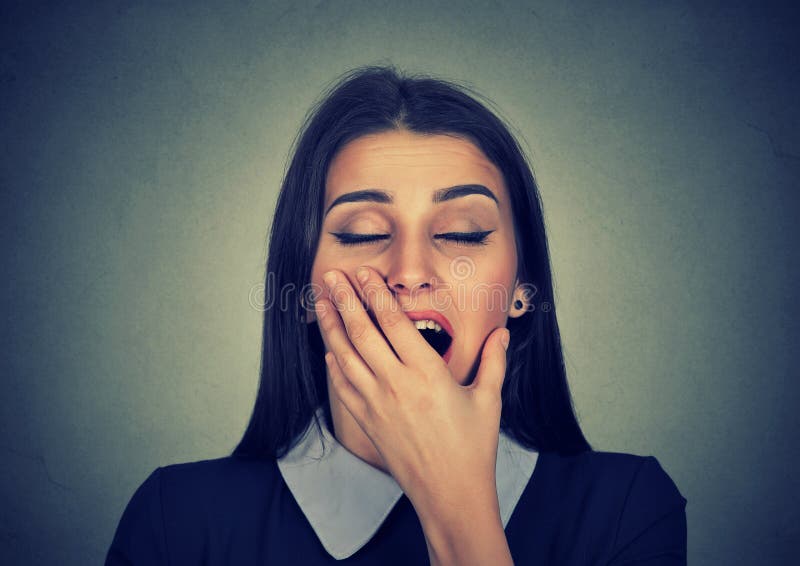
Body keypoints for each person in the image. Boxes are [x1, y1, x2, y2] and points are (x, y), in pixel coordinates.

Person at [106, 65, 687, 565]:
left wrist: (456, 503)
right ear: (306, 293)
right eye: (362, 234)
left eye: (463, 232)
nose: (410, 270)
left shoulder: (627, 510)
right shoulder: (175, 523)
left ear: (523, 289)